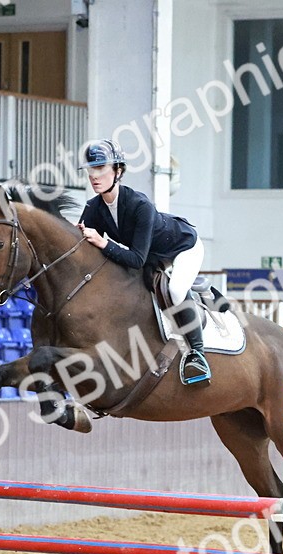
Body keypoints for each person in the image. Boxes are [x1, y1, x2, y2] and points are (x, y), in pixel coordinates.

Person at [76, 139, 211, 386]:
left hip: (182, 246)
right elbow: (83, 247)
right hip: (151, 255)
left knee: (176, 290)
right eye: (91, 170)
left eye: (101, 168)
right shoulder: (93, 208)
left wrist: (103, 243)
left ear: (118, 171)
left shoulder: (140, 205)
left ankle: (197, 354)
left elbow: (136, 259)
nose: (94, 176)